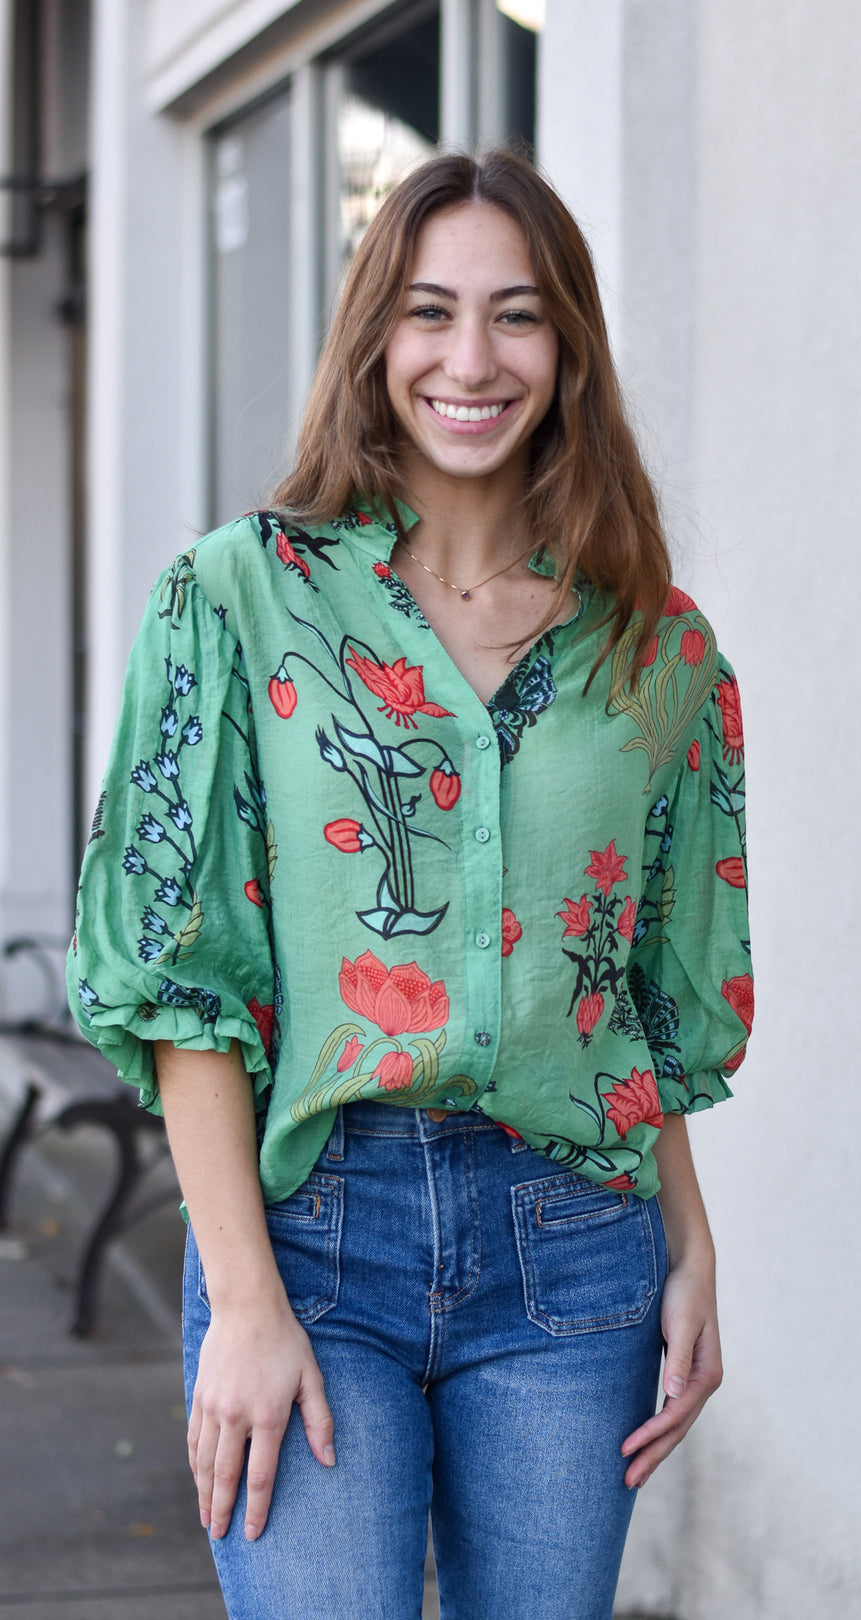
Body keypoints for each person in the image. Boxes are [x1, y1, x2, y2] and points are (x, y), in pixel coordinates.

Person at [66, 149, 753, 1620]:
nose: (471, 359)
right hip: (311, 1231)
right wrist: (240, 1302)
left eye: (517, 316)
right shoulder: (238, 597)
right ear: (377, 339)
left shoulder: (659, 653)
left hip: (573, 1254)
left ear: (566, 348)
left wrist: (692, 1244)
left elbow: (634, 991)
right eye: (430, 312)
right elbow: (183, 973)